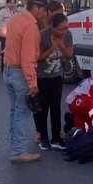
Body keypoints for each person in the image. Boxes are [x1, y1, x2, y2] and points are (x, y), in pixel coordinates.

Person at [3, 0, 48, 163]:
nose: (44, 13)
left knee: (15, 111)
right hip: (20, 74)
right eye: (43, 9)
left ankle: (15, 147)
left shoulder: (15, 19)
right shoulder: (30, 27)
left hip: (8, 71)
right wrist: (32, 83)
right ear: (36, 7)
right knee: (22, 113)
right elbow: (27, 58)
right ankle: (19, 152)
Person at [33, 13, 70, 151]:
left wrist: (61, 46)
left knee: (56, 107)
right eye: (61, 29)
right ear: (52, 27)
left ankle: (56, 138)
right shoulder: (42, 35)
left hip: (57, 76)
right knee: (42, 108)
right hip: (41, 76)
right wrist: (52, 48)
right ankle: (43, 138)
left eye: (66, 28)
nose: (64, 31)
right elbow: (36, 58)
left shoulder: (67, 35)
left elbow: (69, 55)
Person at [0, 0, 18, 72]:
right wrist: (1, 29)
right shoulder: (2, 12)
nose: (12, 5)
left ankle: (12, 68)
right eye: (10, 3)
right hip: (4, 34)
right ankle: (3, 69)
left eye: (14, 3)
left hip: (13, 35)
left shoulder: (15, 12)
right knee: (5, 52)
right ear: (7, 3)